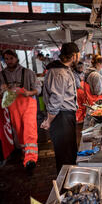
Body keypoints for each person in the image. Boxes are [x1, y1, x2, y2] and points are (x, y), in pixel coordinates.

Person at [0, 49, 41, 172]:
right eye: (6, 59)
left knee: (29, 130)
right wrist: (2, 90)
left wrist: (29, 92)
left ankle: (31, 159)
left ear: (16, 58)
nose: (9, 61)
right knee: (19, 131)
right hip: (13, 107)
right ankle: (25, 153)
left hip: (28, 105)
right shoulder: (0, 76)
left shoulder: (28, 73)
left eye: (11, 58)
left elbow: (38, 88)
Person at [41, 42, 80, 174]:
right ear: (74, 56)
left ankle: (69, 181)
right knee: (65, 155)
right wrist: (49, 121)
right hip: (61, 117)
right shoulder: (59, 73)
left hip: (65, 116)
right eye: (78, 55)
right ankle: (65, 188)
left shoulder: (64, 70)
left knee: (69, 152)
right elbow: (56, 100)